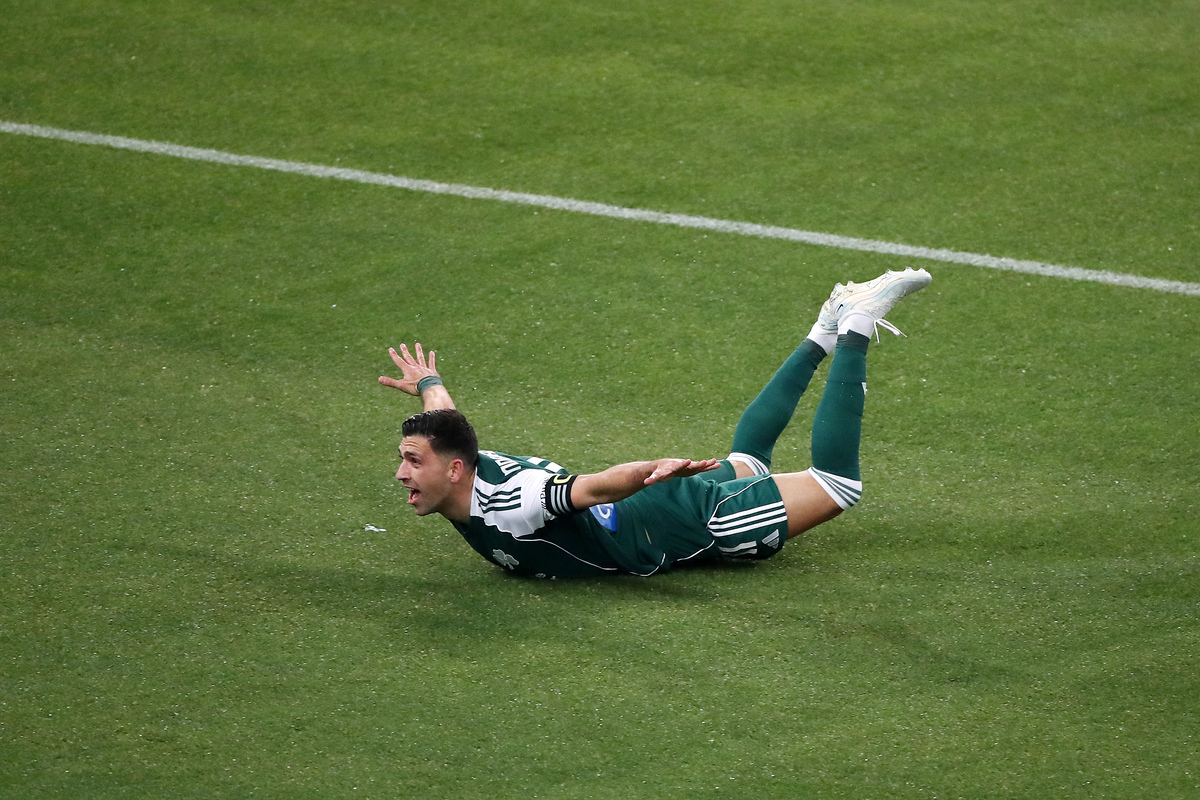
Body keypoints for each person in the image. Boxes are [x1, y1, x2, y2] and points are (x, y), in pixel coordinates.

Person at [379, 268, 931, 578]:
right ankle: (826, 328)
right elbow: (446, 425)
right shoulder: (466, 459)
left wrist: (651, 469)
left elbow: (596, 487)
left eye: (412, 461)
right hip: (654, 505)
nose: (402, 473)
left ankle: (858, 323)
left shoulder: (512, 502)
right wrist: (430, 383)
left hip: (689, 523)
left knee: (838, 485)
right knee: (749, 461)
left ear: (454, 471)